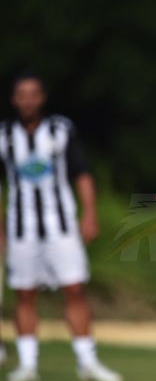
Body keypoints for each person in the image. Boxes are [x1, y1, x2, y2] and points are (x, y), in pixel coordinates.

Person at [0, 74, 121, 381]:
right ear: (14, 99)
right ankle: (28, 365)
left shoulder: (60, 130)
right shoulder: (4, 135)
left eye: (33, 94)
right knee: (24, 294)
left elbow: (81, 172)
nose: (28, 100)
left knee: (75, 289)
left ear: (42, 97)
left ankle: (87, 362)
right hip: (21, 227)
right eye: (22, 94)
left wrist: (89, 213)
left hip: (61, 225)